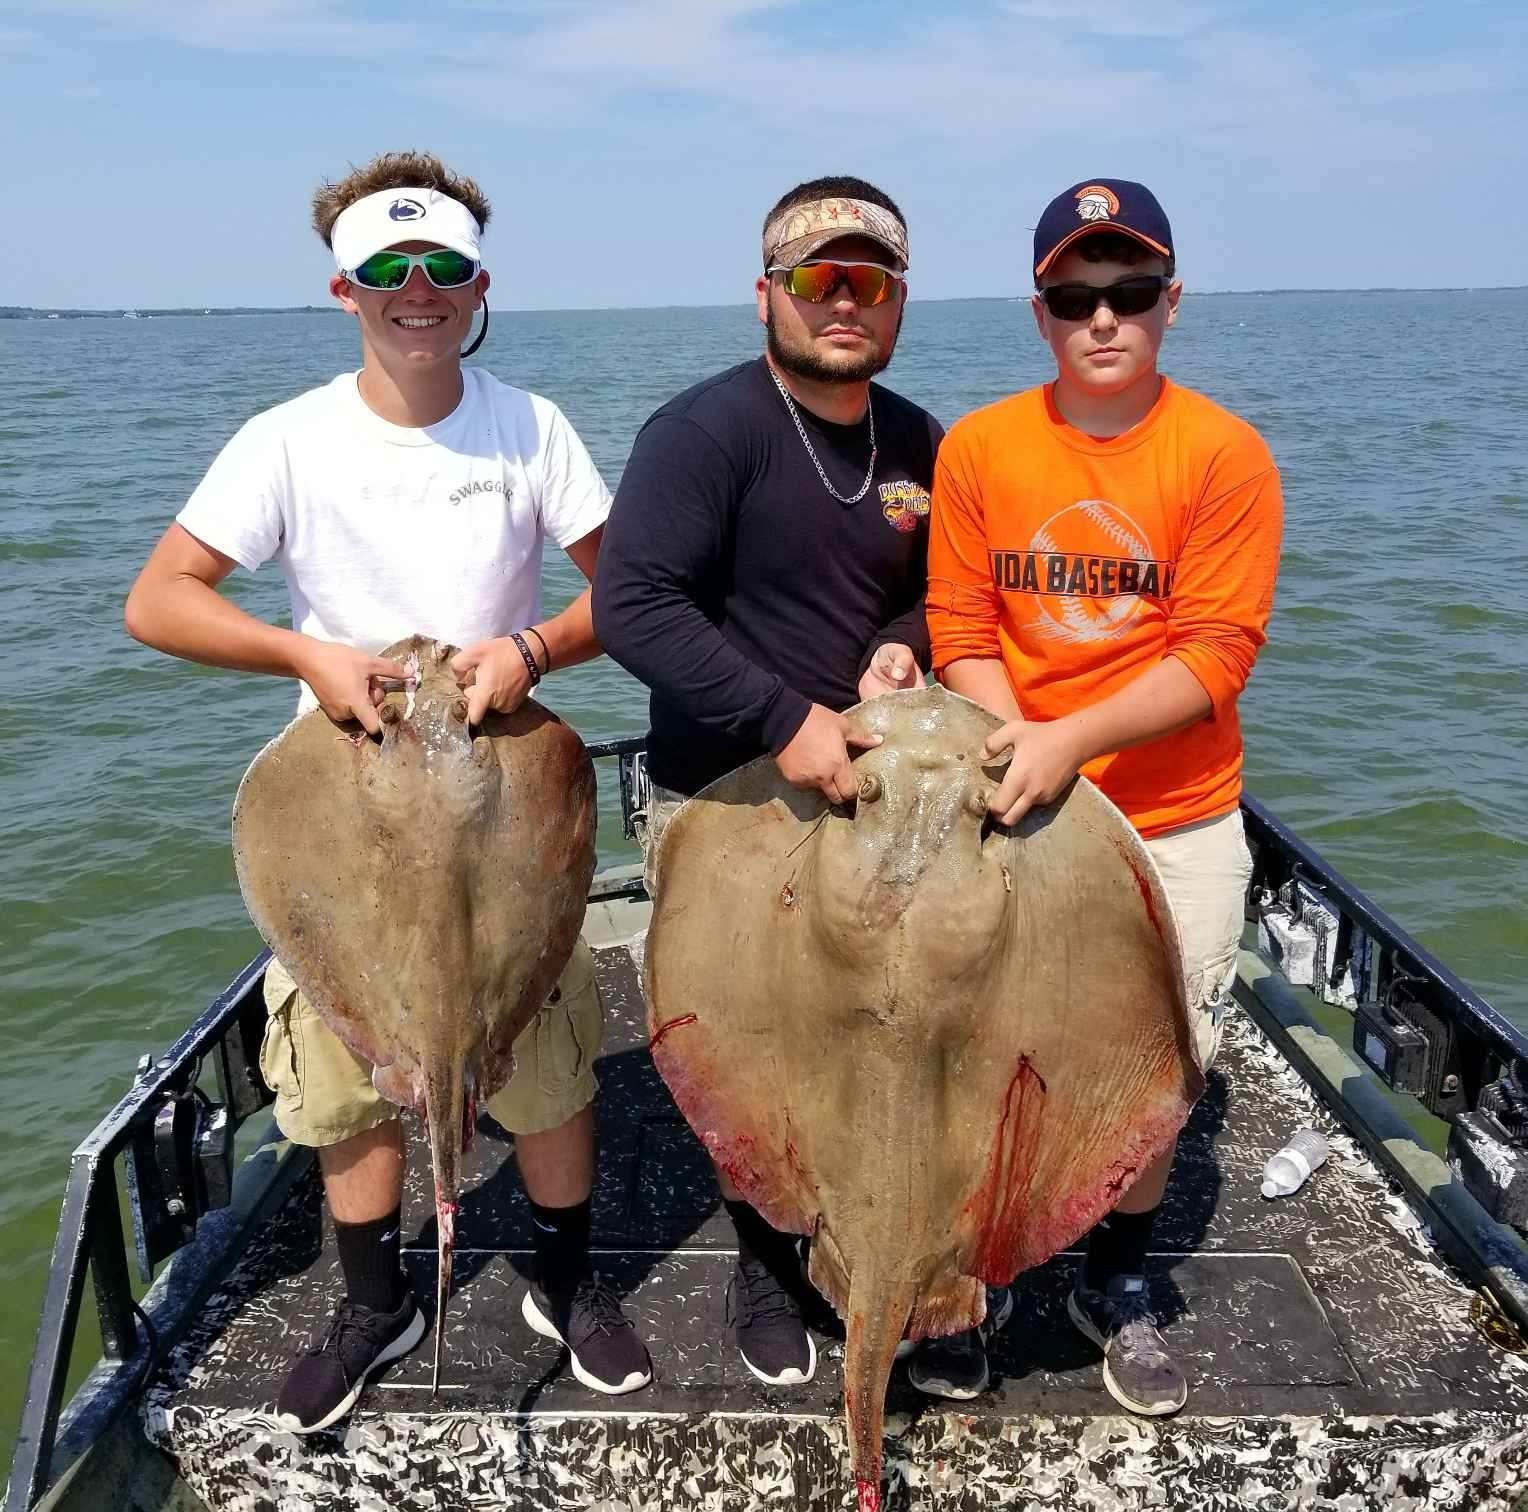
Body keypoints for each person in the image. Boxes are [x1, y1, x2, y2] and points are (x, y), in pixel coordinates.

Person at [123, 150, 652, 1433]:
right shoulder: (287, 440)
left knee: (541, 1053)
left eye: (444, 266)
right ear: (344, 290)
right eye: (388, 269)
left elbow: (633, 590)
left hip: (502, 800)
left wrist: (531, 650)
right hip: (349, 813)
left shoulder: (530, 428)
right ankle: (375, 1300)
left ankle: (562, 1279)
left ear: (479, 286)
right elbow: (159, 601)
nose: (418, 288)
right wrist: (304, 655)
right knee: (344, 1064)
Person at [593, 176, 1008, 1392]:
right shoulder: (703, 432)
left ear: (898, 301)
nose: (842, 302)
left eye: (868, 281)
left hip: (879, 803)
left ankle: (917, 1270)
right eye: (816, 278)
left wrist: (902, 645)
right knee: (760, 1048)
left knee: (910, 1036)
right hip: (728, 797)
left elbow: (937, 593)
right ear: (765, 292)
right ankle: (769, 1264)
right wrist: (783, 719)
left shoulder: (924, 441)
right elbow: (633, 606)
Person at [925, 178, 1283, 1414]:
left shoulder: (1223, 455)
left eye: (1129, 293)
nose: (1103, 319)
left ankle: (1114, 1281)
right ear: (1040, 314)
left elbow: (1216, 652)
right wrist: (1020, 744)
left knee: (1153, 1076)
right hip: (1010, 804)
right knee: (988, 1061)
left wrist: (1069, 738)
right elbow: (959, 622)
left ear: (1171, 302)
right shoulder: (980, 449)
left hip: (1174, 819)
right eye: (1075, 298)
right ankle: (974, 1281)